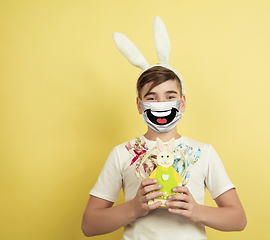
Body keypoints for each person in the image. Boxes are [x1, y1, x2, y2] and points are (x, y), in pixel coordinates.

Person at [81, 17, 246, 239]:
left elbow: (238, 219)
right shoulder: (122, 154)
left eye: (170, 96)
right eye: (152, 98)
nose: (161, 105)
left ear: (183, 103)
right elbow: (89, 225)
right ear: (140, 105)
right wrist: (134, 208)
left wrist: (197, 211)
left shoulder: (204, 153)